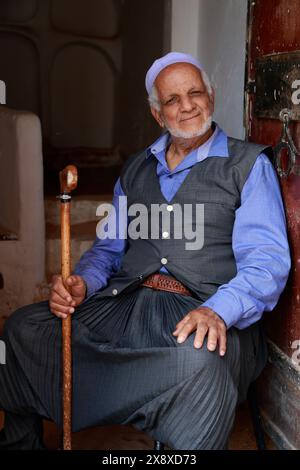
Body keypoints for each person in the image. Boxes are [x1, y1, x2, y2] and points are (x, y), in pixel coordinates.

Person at [0, 52, 291, 450]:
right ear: (158, 115)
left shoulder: (245, 166)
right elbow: (109, 249)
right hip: (126, 302)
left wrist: (219, 310)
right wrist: (82, 282)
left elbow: (267, 262)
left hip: (201, 307)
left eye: (195, 93)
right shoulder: (136, 169)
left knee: (198, 361)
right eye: (172, 100)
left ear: (211, 95)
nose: (187, 105)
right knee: (25, 328)